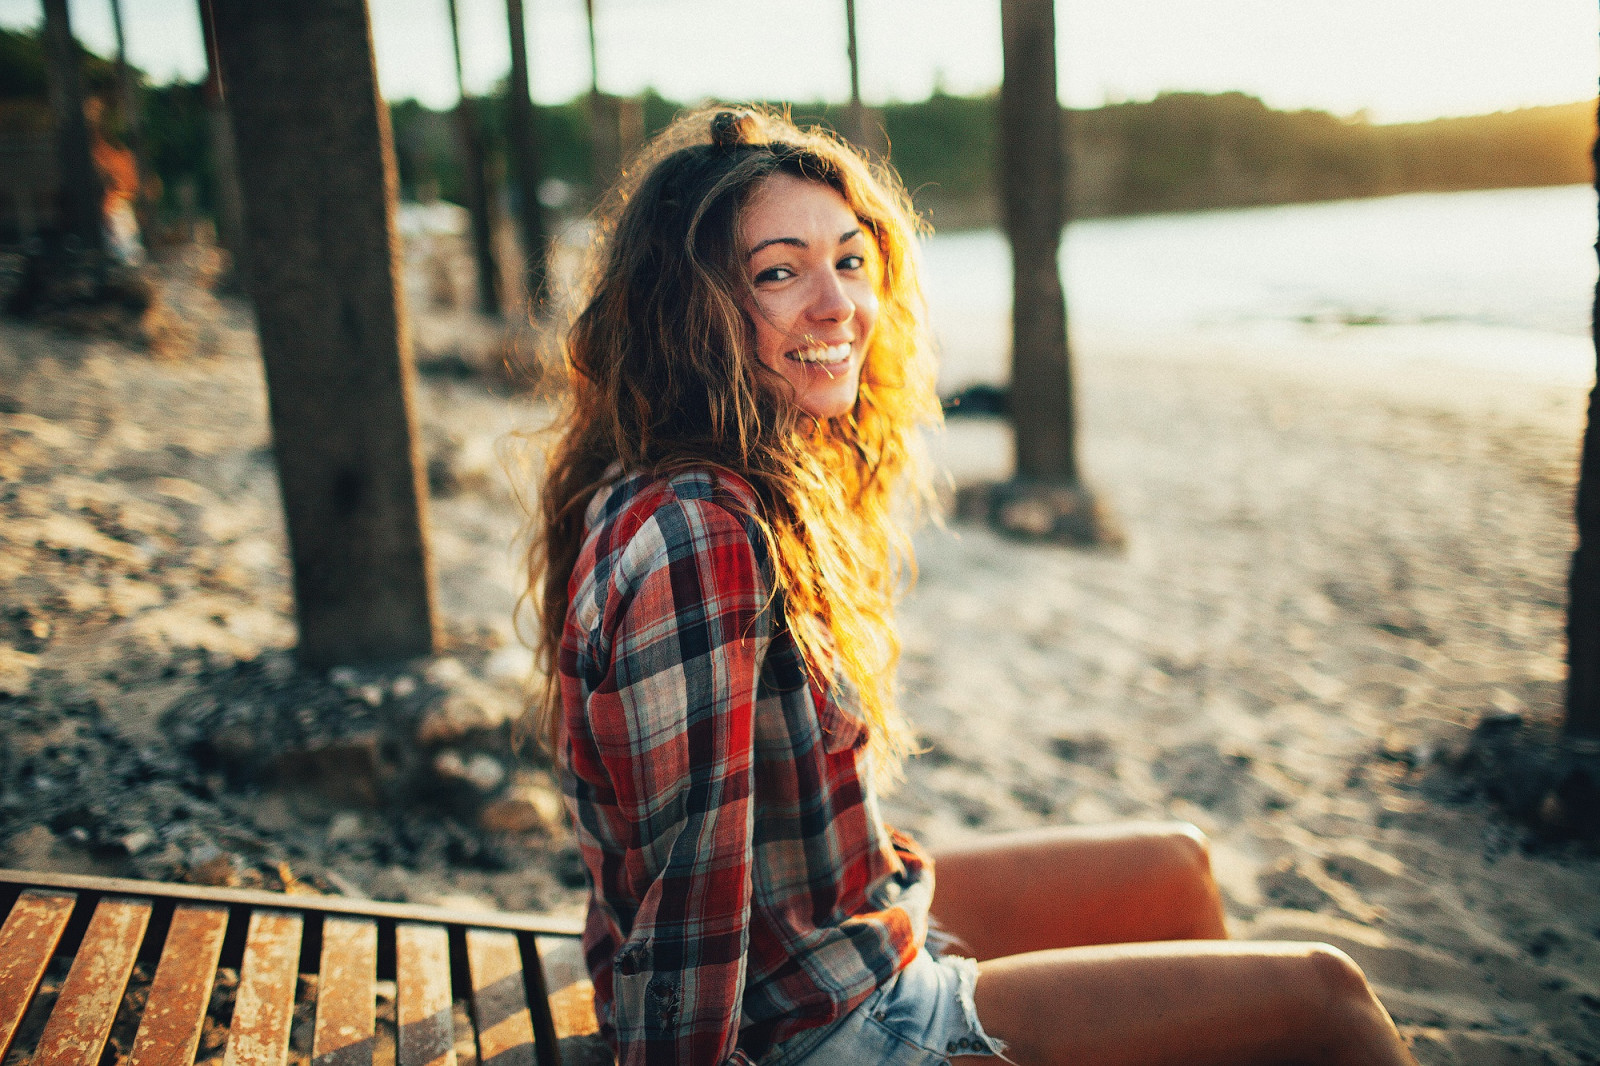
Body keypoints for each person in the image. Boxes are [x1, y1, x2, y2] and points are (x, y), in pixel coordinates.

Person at [526, 107, 1418, 1066]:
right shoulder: (703, 532)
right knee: (1327, 997)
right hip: (821, 1025)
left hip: (839, 925)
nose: (836, 306)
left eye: (851, 259)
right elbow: (689, 911)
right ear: (686, 309)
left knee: (1176, 865)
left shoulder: (717, 475)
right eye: (778, 272)